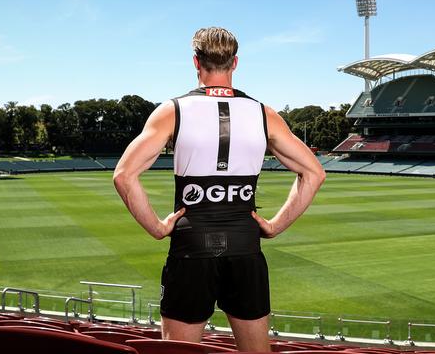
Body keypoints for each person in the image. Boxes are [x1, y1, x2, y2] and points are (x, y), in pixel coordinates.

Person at [113, 27, 325, 352]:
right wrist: (274, 226)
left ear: (195, 62)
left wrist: (158, 227)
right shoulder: (264, 113)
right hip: (245, 246)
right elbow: (314, 173)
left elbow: (124, 175)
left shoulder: (173, 110)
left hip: (190, 247)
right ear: (235, 63)